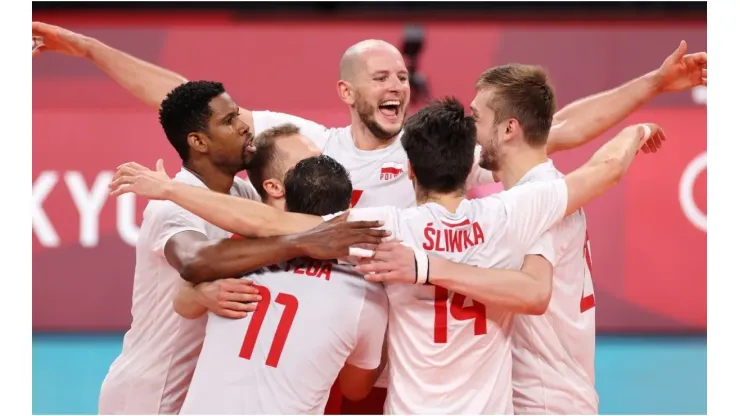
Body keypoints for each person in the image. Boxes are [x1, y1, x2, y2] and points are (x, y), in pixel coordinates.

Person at [109, 95, 663, 414]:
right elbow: (600, 169)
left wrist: (174, 191)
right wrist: (637, 127)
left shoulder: (382, 230)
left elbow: (264, 224)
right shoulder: (511, 214)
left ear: (411, 172)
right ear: (471, 165)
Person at [97, 81, 388, 414]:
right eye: (229, 121)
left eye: (238, 115)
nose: (244, 126)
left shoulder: (241, 195)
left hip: (200, 390)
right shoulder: (171, 206)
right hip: (151, 392)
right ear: (198, 142)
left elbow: (274, 221)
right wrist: (305, 242)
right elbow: (194, 261)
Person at [179, 155, 390, 414]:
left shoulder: (241, 253)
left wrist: (201, 294)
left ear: (285, 204)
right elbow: (354, 390)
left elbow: (182, 304)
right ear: (348, 208)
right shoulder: (365, 293)